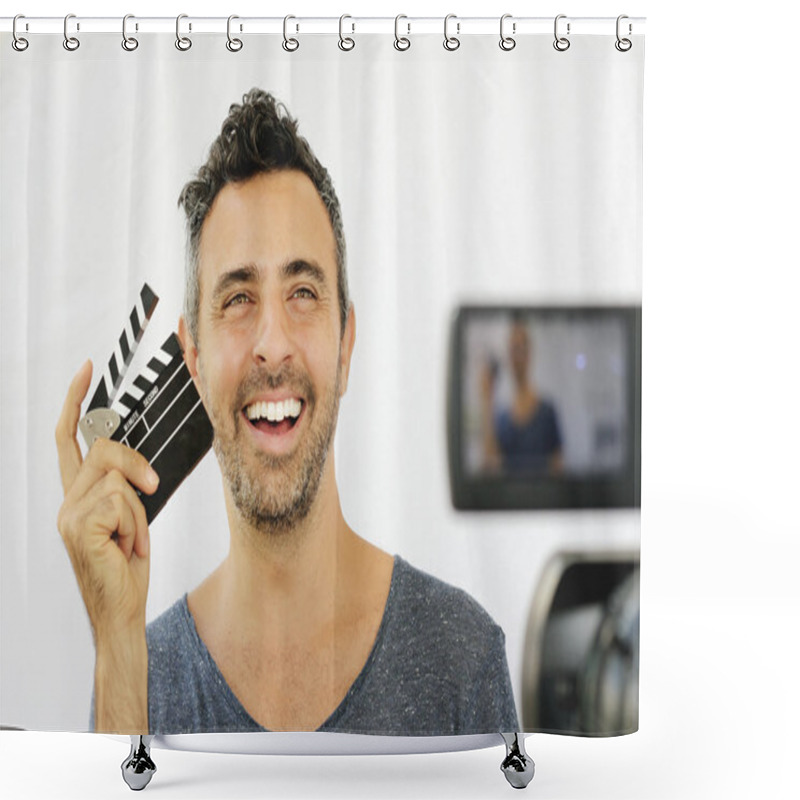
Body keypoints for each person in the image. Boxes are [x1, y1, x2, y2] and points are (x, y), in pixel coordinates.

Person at [55, 89, 518, 736]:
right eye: (238, 297)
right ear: (193, 359)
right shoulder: (141, 671)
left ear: (345, 344)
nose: (272, 341)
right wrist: (116, 647)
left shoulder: (462, 658)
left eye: (303, 292)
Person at [481, 317, 564, 475]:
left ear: (529, 353)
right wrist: (487, 400)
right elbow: (491, 467)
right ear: (508, 356)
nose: (517, 357)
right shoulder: (501, 418)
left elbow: (558, 468)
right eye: (513, 350)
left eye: (521, 348)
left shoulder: (547, 411)